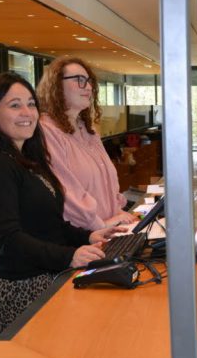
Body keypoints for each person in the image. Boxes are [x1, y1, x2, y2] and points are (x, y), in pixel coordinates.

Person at [0, 72, 125, 335]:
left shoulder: (26, 158)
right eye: (14, 105)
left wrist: (88, 236)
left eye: (31, 104)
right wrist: (70, 255)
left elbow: (49, 223)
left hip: (49, 272)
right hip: (20, 284)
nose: (27, 112)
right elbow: (9, 238)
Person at [36, 56, 136, 230]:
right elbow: (66, 193)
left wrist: (118, 212)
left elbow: (107, 185)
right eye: (79, 80)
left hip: (110, 230)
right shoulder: (47, 131)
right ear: (56, 85)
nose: (88, 87)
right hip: (81, 238)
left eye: (89, 81)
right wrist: (100, 225)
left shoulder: (89, 132)